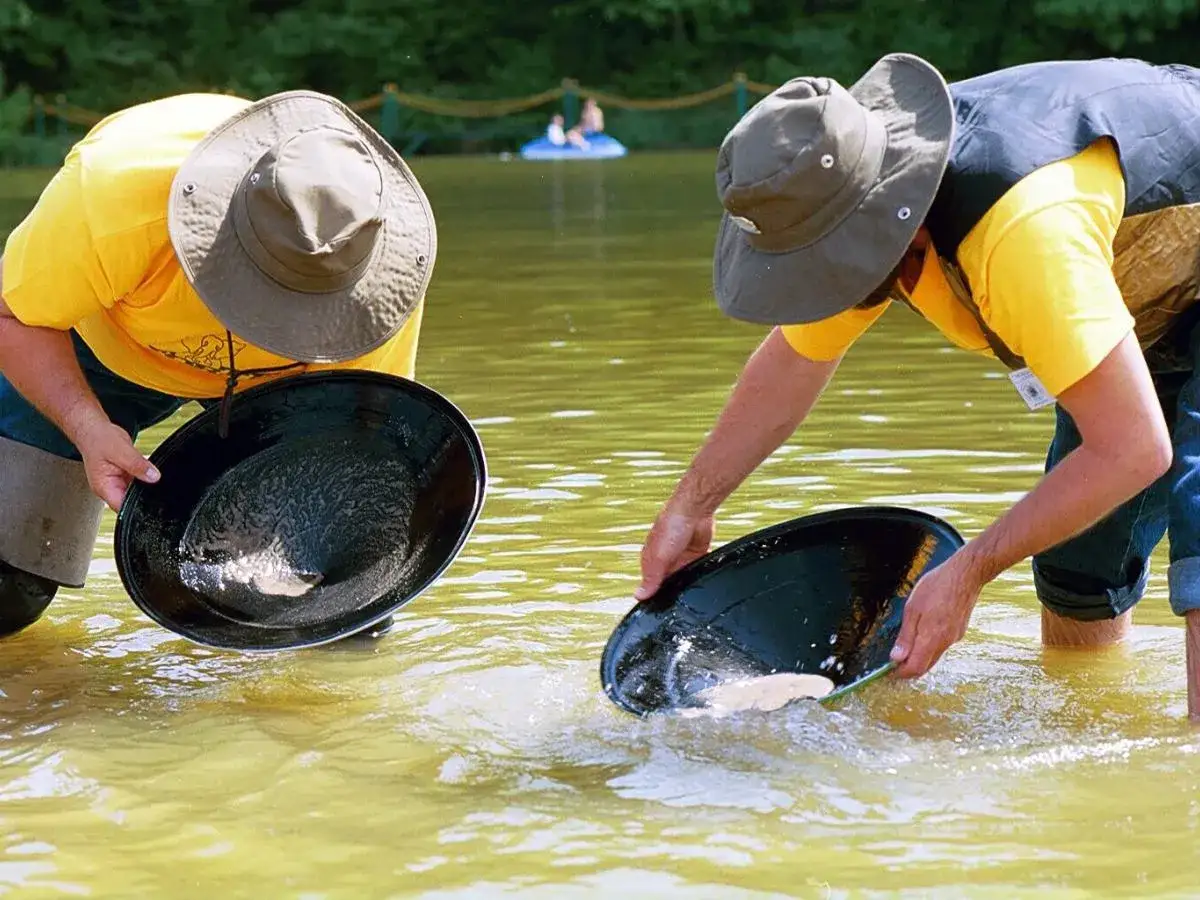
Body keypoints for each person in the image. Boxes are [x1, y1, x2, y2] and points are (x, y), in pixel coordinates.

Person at [634, 53, 1200, 720]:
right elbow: (794, 360)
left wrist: (967, 573)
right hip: (1147, 295)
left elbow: (1133, 450)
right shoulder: (849, 193)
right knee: (1080, 564)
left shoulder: (1020, 231)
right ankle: (1097, 745)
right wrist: (692, 505)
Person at [0, 89, 437, 639]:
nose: (276, 322)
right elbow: (13, 318)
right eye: (268, 298)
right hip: (97, 346)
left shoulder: (381, 276)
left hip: (283, 390)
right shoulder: (113, 195)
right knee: (6, 590)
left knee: (345, 604)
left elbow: (367, 442)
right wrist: (86, 428)